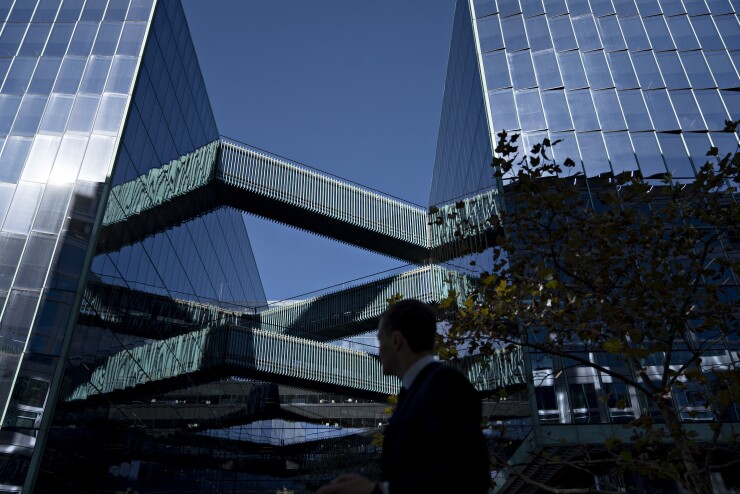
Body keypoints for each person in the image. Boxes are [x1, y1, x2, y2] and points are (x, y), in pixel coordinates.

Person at [317, 299, 490, 494]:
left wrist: (377, 490)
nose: (379, 350)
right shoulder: (419, 391)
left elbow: (469, 473)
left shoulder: (445, 385)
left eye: (380, 340)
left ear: (396, 341)